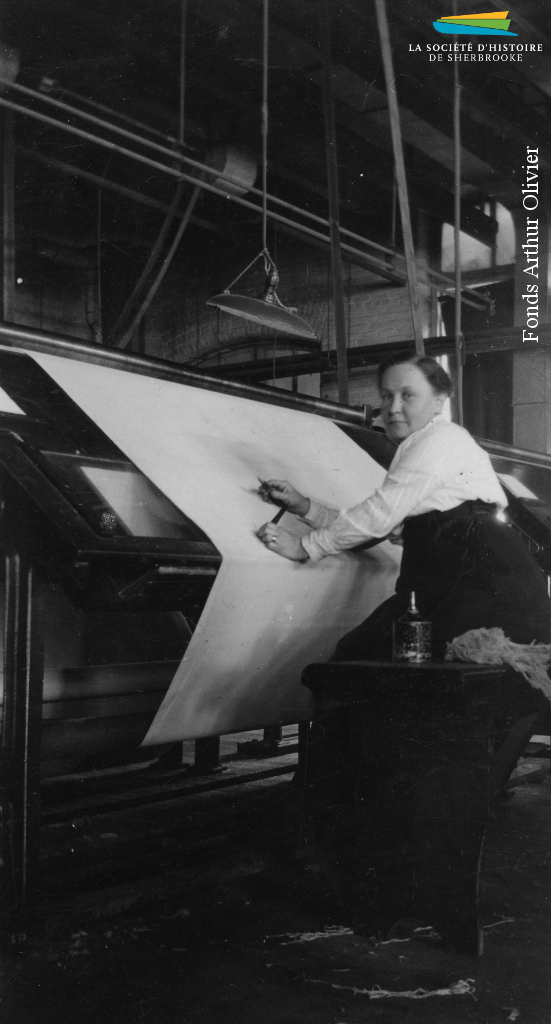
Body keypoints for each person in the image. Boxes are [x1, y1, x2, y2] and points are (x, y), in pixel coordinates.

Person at [257, 353, 551, 659]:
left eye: (407, 395)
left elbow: (379, 516)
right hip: (461, 577)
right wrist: (303, 507)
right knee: (366, 658)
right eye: (387, 396)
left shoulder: (439, 440)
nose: (393, 408)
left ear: (439, 400)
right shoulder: (420, 447)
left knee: (363, 660)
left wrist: (305, 547)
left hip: (482, 584)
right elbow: (381, 526)